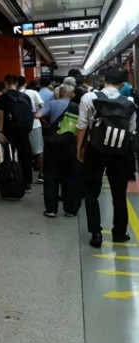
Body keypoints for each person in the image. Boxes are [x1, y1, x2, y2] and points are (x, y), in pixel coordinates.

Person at [77, 65, 137, 248]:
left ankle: (96, 233)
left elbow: (82, 126)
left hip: (95, 150)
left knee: (91, 192)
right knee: (119, 193)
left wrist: (79, 148)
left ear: (104, 79)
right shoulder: (129, 102)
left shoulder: (89, 98)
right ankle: (119, 233)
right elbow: (131, 130)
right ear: (123, 84)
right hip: (120, 153)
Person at [40, 84, 80, 217]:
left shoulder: (52, 104)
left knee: (51, 176)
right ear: (72, 95)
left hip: (53, 144)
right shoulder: (77, 107)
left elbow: (37, 114)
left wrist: (46, 122)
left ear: (59, 93)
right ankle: (70, 209)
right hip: (71, 145)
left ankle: (51, 210)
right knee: (70, 176)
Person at [0, 75, 34, 193]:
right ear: (17, 83)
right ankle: (27, 183)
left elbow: (0, 116)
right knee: (25, 156)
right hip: (23, 131)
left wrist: (0, 132)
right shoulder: (25, 97)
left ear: (6, 83)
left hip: (8, 132)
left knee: (9, 156)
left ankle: (10, 179)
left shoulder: (3, 98)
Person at [18, 75, 44, 183]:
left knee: (22, 152)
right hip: (34, 125)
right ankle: (41, 174)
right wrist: (37, 115)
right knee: (39, 151)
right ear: (25, 83)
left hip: (19, 127)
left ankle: (21, 175)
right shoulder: (33, 93)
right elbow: (42, 106)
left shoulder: (14, 94)